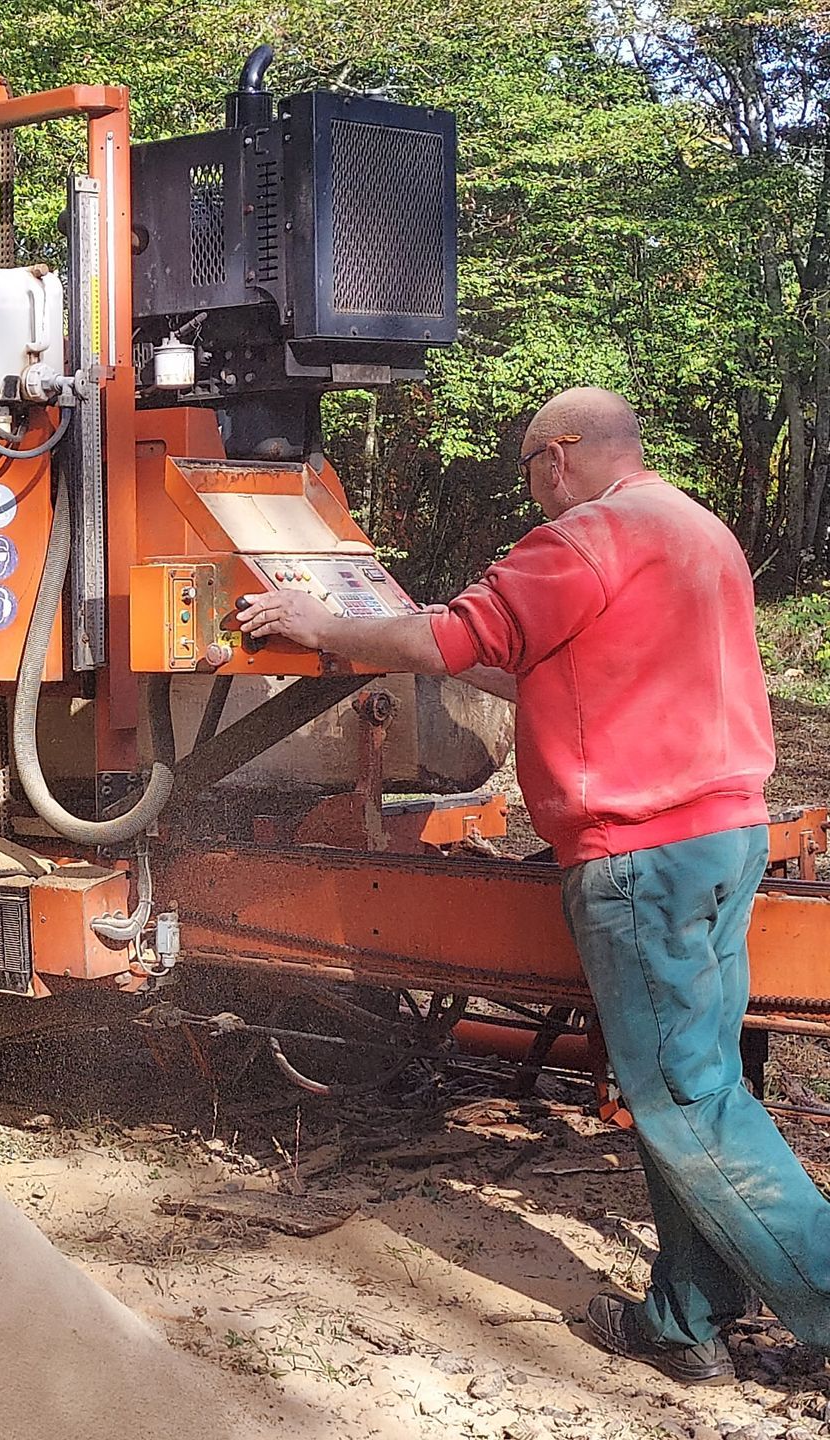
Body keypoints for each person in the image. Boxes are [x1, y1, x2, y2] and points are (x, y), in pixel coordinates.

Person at [236, 386, 830, 1386]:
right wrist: (430, 636)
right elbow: (557, 666)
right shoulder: (695, 530)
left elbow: (441, 643)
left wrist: (318, 619)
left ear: (559, 457)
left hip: (639, 857)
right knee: (693, 1088)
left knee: (687, 1101)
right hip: (721, 838)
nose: (530, 490)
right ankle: (684, 1319)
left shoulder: (583, 539)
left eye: (526, 469)